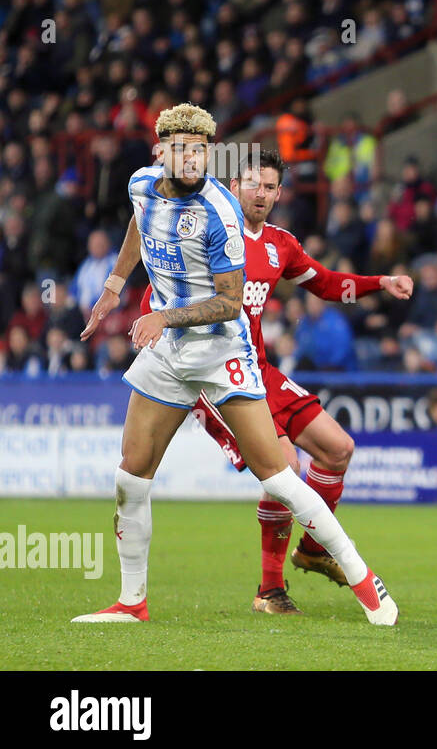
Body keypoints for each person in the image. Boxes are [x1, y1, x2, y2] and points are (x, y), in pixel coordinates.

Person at [74, 103, 398, 625]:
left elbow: (228, 305)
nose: (190, 158)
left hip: (219, 352)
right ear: (161, 152)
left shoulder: (219, 212)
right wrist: (114, 286)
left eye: (201, 150)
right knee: (130, 479)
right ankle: (132, 603)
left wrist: (164, 317)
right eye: (180, 148)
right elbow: (141, 220)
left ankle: (362, 579)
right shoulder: (140, 183)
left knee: (281, 474)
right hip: (168, 352)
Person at [136, 148, 414, 613]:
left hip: (257, 368)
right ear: (234, 185)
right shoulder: (206, 230)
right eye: (252, 184)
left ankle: (313, 550)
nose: (260, 194)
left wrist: (378, 282)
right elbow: (161, 291)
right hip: (210, 375)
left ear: (279, 193)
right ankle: (269, 590)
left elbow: (324, 283)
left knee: (338, 448)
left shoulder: (280, 244)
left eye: (269, 187)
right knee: (283, 462)